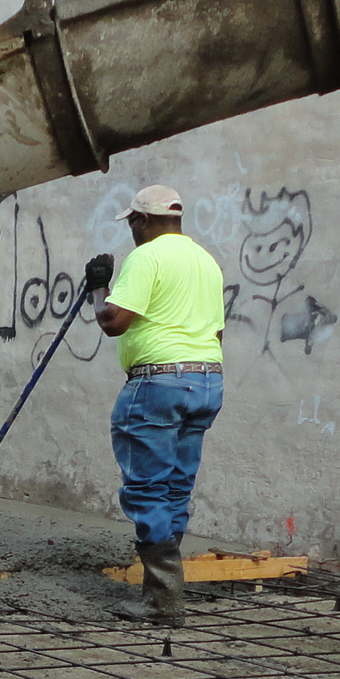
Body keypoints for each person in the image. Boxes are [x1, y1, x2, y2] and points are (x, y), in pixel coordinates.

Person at [96, 184, 227, 626]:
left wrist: (99, 290)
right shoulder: (206, 261)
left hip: (159, 383)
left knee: (148, 487)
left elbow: (115, 321)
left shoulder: (147, 257)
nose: (133, 231)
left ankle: (163, 598)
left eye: (133, 222)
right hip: (208, 380)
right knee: (176, 486)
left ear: (143, 221)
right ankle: (167, 587)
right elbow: (217, 334)